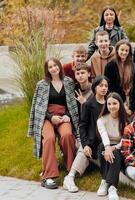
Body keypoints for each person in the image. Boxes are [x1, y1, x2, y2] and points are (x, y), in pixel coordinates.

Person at [28, 58, 79, 189]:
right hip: (47, 117)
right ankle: (48, 176)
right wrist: (51, 118)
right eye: (50, 67)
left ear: (59, 66)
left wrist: (67, 116)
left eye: (55, 65)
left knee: (67, 135)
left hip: (63, 116)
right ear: (47, 70)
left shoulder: (68, 82)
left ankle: (71, 169)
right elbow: (38, 107)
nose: (53, 68)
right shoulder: (42, 84)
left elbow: (72, 103)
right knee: (49, 138)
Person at [62, 63, 93, 193]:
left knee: (84, 147)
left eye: (83, 73)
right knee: (82, 147)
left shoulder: (95, 90)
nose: (80, 76)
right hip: (77, 129)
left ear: (89, 74)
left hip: (91, 130)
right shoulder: (74, 90)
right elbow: (69, 109)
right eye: (78, 73)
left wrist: (84, 104)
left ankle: (70, 176)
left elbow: (97, 113)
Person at [96, 92, 128, 200]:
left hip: (121, 147)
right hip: (107, 145)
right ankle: (105, 181)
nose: (111, 106)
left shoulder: (125, 119)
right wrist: (107, 147)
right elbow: (104, 135)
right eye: (109, 104)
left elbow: (126, 139)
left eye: (114, 103)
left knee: (116, 154)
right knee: (101, 147)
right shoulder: (101, 120)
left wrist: (115, 147)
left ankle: (112, 187)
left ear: (120, 104)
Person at [104, 39, 135, 115]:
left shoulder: (133, 66)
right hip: (116, 100)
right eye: (122, 50)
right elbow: (110, 86)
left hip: (131, 100)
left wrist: (132, 107)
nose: (124, 52)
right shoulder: (110, 66)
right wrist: (121, 103)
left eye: (126, 50)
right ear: (117, 50)